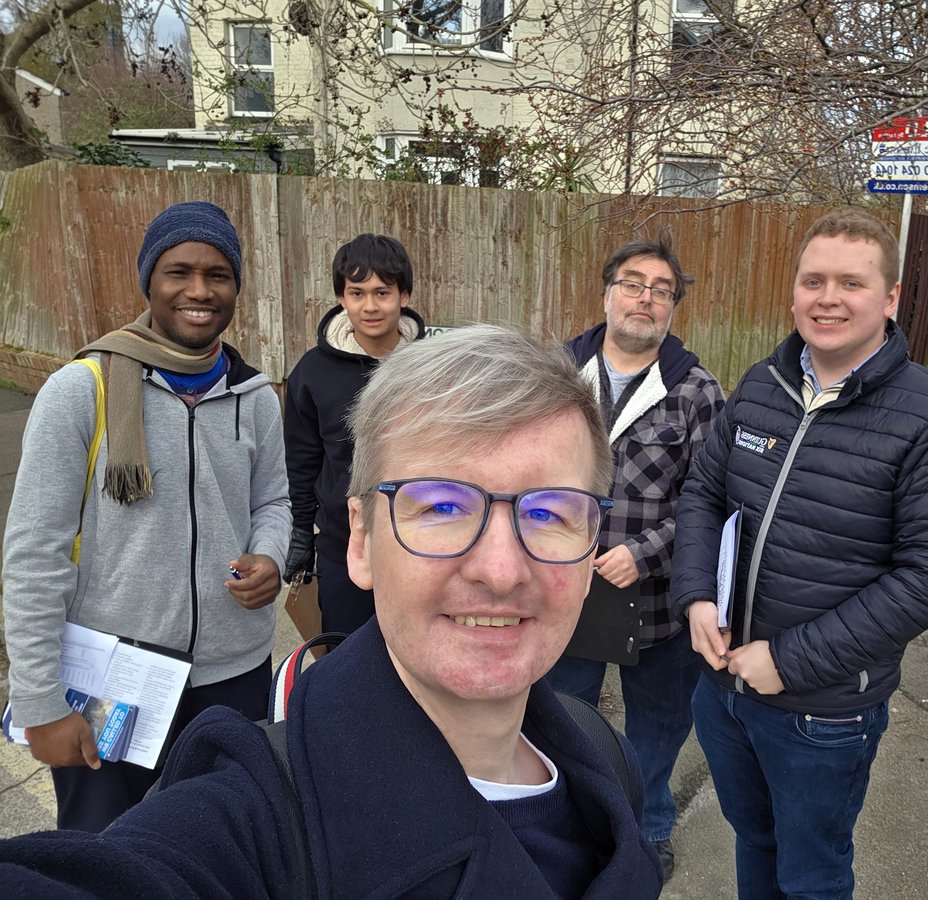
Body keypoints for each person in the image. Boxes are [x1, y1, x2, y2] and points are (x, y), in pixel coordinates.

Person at [0, 325, 663, 898]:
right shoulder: (255, 819)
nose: (499, 570)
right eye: (441, 506)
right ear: (362, 540)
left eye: (548, 513)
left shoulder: (603, 756)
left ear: (590, 548)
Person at [672, 208, 928, 899]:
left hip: (822, 712)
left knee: (811, 874)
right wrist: (694, 595)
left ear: (890, 298)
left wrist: (789, 660)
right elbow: (702, 494)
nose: (828, 299)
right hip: (723, 690)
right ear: (794, 293)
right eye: (813, 281)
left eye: (851, 283)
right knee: (754, 840)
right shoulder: (763, 384)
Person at [1, 201, 291, 833]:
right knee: (104, 847)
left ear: (236, 287)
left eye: (217, 275)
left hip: (234, 674)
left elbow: (273, 501)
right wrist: (40, 700)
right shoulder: (82, 390)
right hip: (113, 676)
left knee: (223, 841)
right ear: (149, 282)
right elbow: (33, 553)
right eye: (178, 272)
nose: (199, 291)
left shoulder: (255, 397)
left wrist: (270, 555)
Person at [546, 229, 724, 881]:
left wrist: (644, 553)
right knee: (566, 717)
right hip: (567, 592)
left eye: (662, 290)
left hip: (661, 603)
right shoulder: (554, 374)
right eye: (633, 284)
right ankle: (577, 821)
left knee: (657, 725)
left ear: (673, 307)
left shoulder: (697, 391)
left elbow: (713, 498)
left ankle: (646, 829)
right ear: (607, 294)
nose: (646, 298)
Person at [282, 233, 425, 635]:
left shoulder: (432, 367)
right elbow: (302, 459)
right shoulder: (312, 372)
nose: (370, 306)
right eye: (357, 293)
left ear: (404, 296)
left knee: (416, 649)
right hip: (342, 544)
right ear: (341, 298)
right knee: (345, 652)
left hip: (420, 541)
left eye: (382, 292)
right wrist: (300, 531)